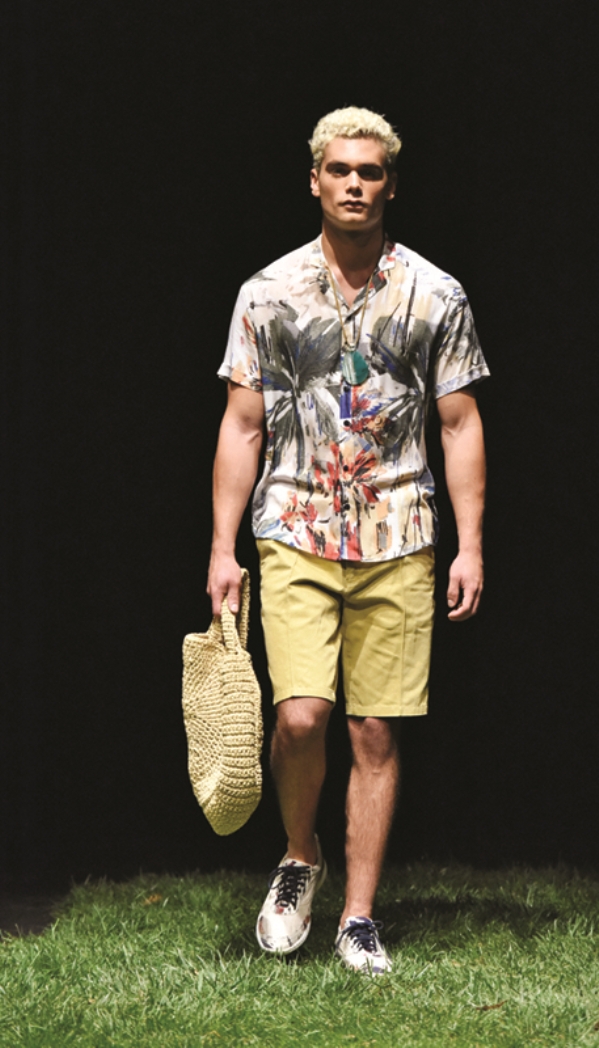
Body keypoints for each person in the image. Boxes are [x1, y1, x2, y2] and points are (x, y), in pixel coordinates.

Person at [207, 107, 488, 975]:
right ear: (315, 181)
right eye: (340, 170)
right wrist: (221, 548)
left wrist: (471, 545)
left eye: (370, 171)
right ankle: (302, 855)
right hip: (294, 526)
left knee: (373, 732)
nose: (355, 184)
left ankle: (358, 917)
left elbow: (460, 422)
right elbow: (243, 424)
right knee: (300, 716)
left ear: (390, 184)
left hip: (399, 531)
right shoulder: (267, 292)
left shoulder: (435, 294)